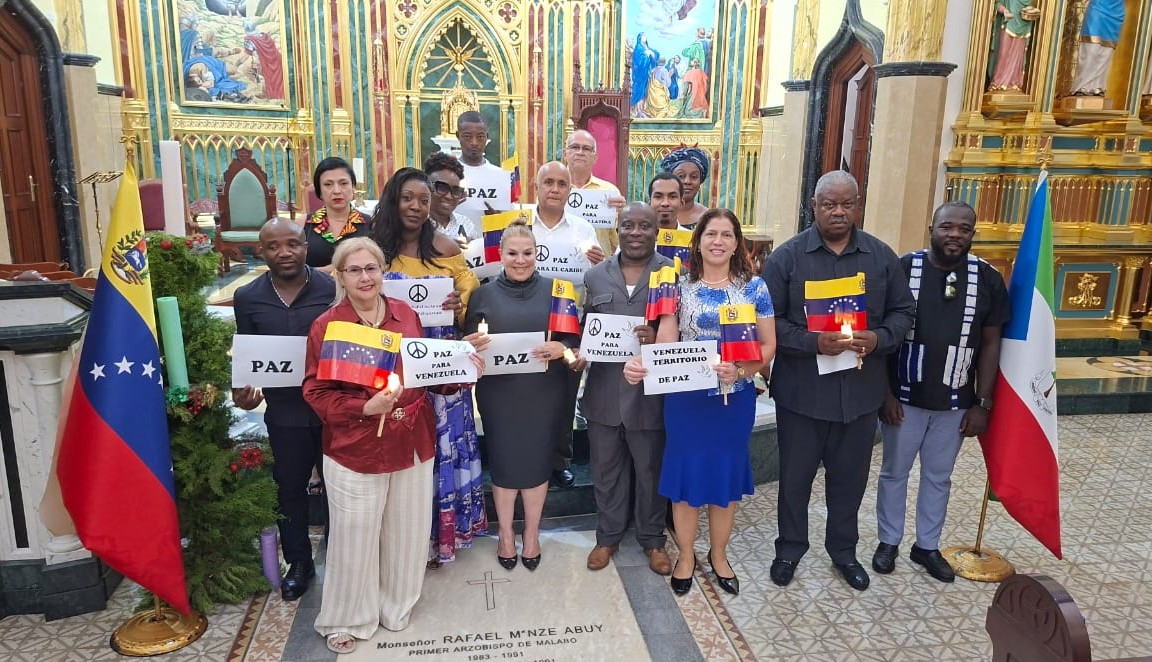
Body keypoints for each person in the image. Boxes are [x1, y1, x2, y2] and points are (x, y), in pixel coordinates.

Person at [302, 237, 483, 653]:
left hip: (411, 441)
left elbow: (427, 373)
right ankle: (347, 616)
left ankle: (396, 605)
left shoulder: (406, 314)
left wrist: (460, 370)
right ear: (340, 276)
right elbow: (315, 391)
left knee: (407, 531)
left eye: (372, 268)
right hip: (355, 446)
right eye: (355, 270)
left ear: (383, 271)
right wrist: (364, 407)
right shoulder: (328, 326)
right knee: (355, 535)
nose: (365, 277)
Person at [761, 170, 915, 591]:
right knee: (795, 481)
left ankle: (844, 552)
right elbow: (768, 321)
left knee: (849, 482)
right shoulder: (788, 258)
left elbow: (904, 312)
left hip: (860, 396)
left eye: (847, 204)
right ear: (814, 206)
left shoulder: (881, 257)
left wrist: (879, 338)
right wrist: (813, 342)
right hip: (802, 396)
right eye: (829, 204)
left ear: (857, 205)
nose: (838, 212)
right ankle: (789, 550)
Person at [624, 209, 775, 596]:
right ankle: (687, 555)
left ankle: (719, 555)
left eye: (726, 234)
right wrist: (645, 363)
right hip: (686, 399)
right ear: (698, 241)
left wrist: (740, 371)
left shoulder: (755, 288)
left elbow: (768, 345)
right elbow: (667, 340)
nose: (718, 241)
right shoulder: (678, 286)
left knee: (725, 477)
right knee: (686, 479)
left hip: (733, 400)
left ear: (737, 243)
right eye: (711, 234)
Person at [873, 202, 1010, 583]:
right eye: (947, 227)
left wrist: (983, 403)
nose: (955, 235)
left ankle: (927, 546)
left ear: (972, 235)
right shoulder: (904, 269)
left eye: (964, 229)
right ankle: (888, 541)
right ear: (931, 228)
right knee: (894, 473)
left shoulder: (987, 278)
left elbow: (991, 343)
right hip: (903, 400)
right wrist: (885, 395)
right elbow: (883, 335)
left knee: (939, 477)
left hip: (955, 403)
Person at [368, 167, 487, 568]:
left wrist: (458, 305)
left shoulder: (444, 246)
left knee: (443, 445)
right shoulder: (373, 249)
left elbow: (472, 302)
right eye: (408, 198)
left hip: (440, 366)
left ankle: (442, 537)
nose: (416, 207)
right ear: (393, 200)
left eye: (423, 200)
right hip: (392, 363)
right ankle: (402, 542)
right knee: (400, 446)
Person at [463, 220, 581, 571]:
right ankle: (504, 533)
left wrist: (562, 348)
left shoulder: (558, 290)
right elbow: (465, 344)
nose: (520, 260)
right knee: (504, 461)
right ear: (500, 255)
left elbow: (574, 345)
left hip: (544, 391)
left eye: (527, 253)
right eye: (512, 253)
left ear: (537, 253)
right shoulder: (482, 295)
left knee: (536, 460)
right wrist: (470, 345)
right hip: (499, 393)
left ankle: (531, 533)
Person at [232, 218, 335, 602]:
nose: (284, 252)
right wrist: (243, 391)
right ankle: (300, 563)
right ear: (260, 251)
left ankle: (342, 558)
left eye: (292, 244)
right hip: (285, 411)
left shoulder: (332, 289)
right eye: (273, 246)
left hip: (333, 410)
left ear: (305, 246)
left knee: (338, 487)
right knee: (289, 489)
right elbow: (247, 354)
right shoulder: (247, 297)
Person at [578, 203, 674, 576]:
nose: (636, 232)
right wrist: (577, 352)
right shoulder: (595, 277)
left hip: (651, 395)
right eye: (628, 225)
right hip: (604, 393)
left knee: (651, 472)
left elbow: (682, 330)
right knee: (606, 471)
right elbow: (585, 327)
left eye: (644, 226)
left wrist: (658, 336)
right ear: (617, 230)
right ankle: (608, 537)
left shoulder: (672, 274)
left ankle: (653, 540)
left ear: (656, 231)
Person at [533, 161, 605, 488]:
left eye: (561, 184)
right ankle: (528, 457)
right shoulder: (519, 223)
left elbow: (593, 281)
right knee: (526, 393)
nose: (554, 189)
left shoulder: (582, 229)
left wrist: (598, 265)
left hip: (568, 323)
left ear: (569, 190)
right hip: (525, 319)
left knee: (564, 395)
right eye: (548, 182)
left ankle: (559, 460)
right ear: (537, 186)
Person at [563, 129, 626, 256]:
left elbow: (617, 242)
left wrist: (623, 215)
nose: (580, 152)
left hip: (600, 265)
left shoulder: (609, 192)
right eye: (575, 147)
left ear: (595, 157)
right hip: (561, 264)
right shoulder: (552, 190)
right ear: (565, 154)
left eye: (586, 149)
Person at [304, 157, 370, 270]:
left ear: (353, 187)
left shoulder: (371, 224)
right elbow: (294, 268)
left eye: (343, 183)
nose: (337, 191)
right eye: (328, 184)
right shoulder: (303, 224)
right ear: (319, 191)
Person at [455, 111, 511, 225]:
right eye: (467, 136)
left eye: (480, 137)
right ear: (458, 136)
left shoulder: (502, 176)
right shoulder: (448, 174)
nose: (474, 143)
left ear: (487, 137)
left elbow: (511, 222)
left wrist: (498, 220)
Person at [1070, 0, 1126, 96]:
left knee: (1105, 53)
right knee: (1091, 50)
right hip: (1098, 7)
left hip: (1116, 12)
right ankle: (1081, 86)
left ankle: (1097, 87)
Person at [423, 151, 479, 245]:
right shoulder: (416, 224)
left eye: (456, 191)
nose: (449, 196)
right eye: (442, 188)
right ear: (426, 186)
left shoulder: (465, 223)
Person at [986, 1, 1041, 91]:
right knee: (1003, 54)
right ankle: (997, 83)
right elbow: (998, 3)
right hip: (1009, 23)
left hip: (1023, 24)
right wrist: (1004, 11)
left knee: (1018, 56)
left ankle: (1013, 83)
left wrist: (1031, 11)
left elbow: (1029, 6)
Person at [660, 147, 710, 229]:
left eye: (694, 177)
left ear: (701, 180)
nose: (687, 181)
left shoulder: (709, 218)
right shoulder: (654, 216)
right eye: (681, 176)